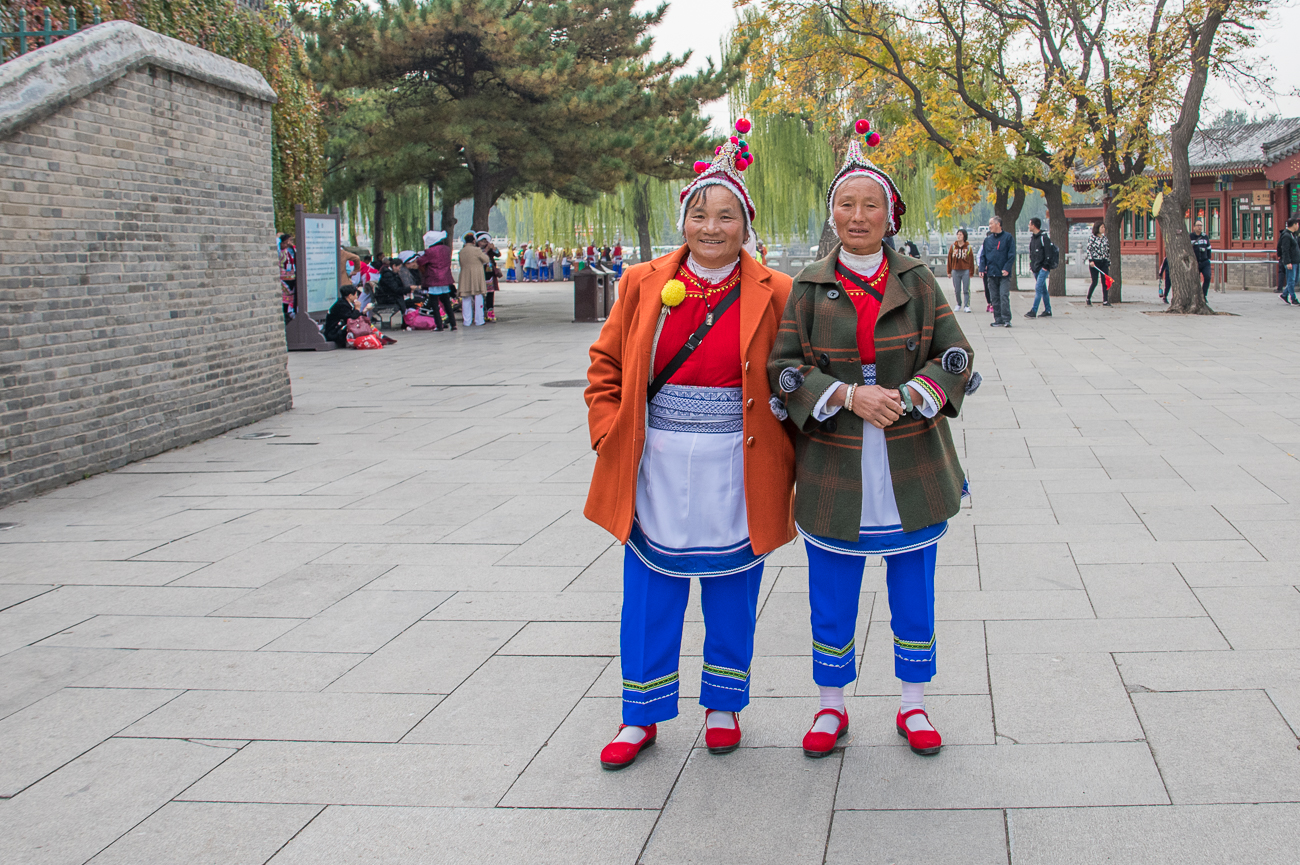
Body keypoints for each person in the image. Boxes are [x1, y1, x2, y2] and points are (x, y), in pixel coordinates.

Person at [585, 120, 795, 770]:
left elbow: (796, 373)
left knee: (733, 582)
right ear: (684, 220)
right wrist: (608, 430)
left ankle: (725, 701)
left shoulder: (777, 291)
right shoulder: (642, 281)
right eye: (699, 213)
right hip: (655, 458)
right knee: (649, 589)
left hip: (739, 456)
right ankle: (639, 713)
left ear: (745, 224)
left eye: (725, 216)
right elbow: (605, 364)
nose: (711, 227)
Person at [768, 121, 976, 761]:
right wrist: (845, 395)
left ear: (891, 215)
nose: (857, 215)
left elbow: (958, 357)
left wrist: (912, 393)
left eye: (871, 204)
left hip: (911, 456)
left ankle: (913, 704)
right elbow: (783, 369)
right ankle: (831, 706)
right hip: (837, 461)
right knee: (831, 588)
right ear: (831, 213)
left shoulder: (917, 282)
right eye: (846, 204)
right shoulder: (807, 286)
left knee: (914, 586)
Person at [416, 230, 457, 331]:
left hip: (434, 279)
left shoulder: (430, 252)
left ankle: (439, 325)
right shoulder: (447, 249)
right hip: (445, 278)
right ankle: (453, 324)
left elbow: (420, 261)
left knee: (434, 303)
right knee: (447, 302)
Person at [979, 216, 1016, 326]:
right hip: (991, 272)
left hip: (1003, 273)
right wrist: (982, 268)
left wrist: (1007, 268)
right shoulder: (988, 240)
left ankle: (1006, 319)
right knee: (994, 297)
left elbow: (1011, 255)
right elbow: (983, 256)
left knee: (1003, 296)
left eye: (991, 224)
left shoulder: (1008, 238)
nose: (989, 226)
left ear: (998, 224)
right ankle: (998, 319)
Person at [458, 233, 491, 326]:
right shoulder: (477, 250)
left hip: (465, 275)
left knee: (466, 298)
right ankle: (479, 320)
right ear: (473, 241)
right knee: (478, 296)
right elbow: (486, 260)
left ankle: (467, 321)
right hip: (476, 275)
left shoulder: (462, 251)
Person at [1025, 217, 1053, 318]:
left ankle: (1034, 310)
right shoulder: (1033, 238)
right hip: (1035, 267)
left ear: (1033, 225)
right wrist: (1032, 266)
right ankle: (1048, 310)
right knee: (1043, 289)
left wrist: (1045, 266)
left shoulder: (1043, 237)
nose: (1028, 226)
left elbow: (1048, 253)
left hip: (1043, 268)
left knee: (1038, 288)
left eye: (1029, 224)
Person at [946, 229, 973, 312]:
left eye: (961, 234)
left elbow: (971, 260)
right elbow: (949, 259)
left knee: (966, 289)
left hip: (965, 270)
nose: (959, 236)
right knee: (957, 289)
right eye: (958, 234)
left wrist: (971, 272)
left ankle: (966, 305)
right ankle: (958, 304)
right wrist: (949, 271)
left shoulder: (968, 247)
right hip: (955, 270)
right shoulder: (953, 247)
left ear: (964, 236)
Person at [1086, 221, 1111, 306]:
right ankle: (1088, 298)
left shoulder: (1105, 239)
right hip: (1095, 262)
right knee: (1095, 281)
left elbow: (1107, 251)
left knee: (1105, 281)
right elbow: (1089, 250)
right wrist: (1091, 260)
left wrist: (1108, 263)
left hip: (1104, 261)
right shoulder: (1092, 238)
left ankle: (1105, 300)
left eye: (1104, 227)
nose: (1103, 229)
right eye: (1102, 227)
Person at [1189, 220, 1212, 300]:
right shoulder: (1190, 237)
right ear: (1194, 227)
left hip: (1205, 261)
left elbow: (1209, 249)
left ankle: (1203, 295)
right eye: (1198, 225)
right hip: (1195, 262)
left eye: (1201, 225)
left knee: (1207, 277)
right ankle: (1195, 297)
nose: (1200, 227)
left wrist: (1208, 257)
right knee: (1195, 280)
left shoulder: (1205, 237)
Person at [1279, 217, 1300, 305]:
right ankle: (1293, 298)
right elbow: (1285, 250)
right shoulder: (1286, 235)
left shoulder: (1293, 234)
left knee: (1295, 280)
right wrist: (1287, 262)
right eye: (1297, 224)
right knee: (1291, 280)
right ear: (1294, 225)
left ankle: (1284, 294)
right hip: (1291, 262)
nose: (1298, 226)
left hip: (1296, 260)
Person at [278, 233, 296, 324]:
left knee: (290, 299)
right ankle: (284, 314)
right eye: (289, 240)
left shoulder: (290, 251)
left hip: (291, 278)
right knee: (284, 299)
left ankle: (289, 314)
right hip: (283, 278)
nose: (290, 243)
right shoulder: (279, 251)